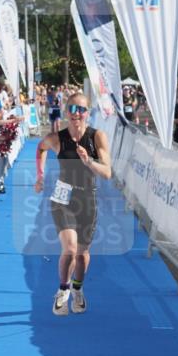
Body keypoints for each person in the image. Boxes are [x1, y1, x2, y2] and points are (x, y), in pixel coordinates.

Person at [34, 93, 112, 316]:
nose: (77, 114)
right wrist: (40, 176)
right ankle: (63, 290)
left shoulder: (97, 137)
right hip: (62, 197)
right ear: (66, 112)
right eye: (73, 109)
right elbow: (40, 148)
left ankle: (77, 289)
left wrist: (89, 161)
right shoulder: (57, 138)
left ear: (88, 113)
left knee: (82, 253)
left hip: (87, 197)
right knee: (69, 248)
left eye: (82, 109)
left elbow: (107, 173)